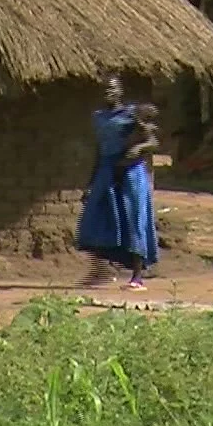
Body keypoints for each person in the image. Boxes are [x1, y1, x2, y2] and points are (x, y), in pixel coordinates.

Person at [75, 74, 160, 290]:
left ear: (120, 91)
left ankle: (137, 276)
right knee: (95, 217)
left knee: (134, 220)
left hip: (131, 171)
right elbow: (98, 150)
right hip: (106, 170)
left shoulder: (132, 114)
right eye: (105, 90)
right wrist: (91, 181)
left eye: (112, 89)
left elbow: (152, 141)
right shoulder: (99, 117)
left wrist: (137, 149)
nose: (108, 93)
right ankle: (101, 270)